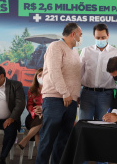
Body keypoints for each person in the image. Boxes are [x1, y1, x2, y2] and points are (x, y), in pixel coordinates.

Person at [36, 23, 82, 164]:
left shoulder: (74, 51)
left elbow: (74, 75)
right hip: (56, 99)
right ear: (73, 34)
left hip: (71, 101)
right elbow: (55, 72)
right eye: (80, 35)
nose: (81, 38)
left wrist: (75, 96)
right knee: (48, 138)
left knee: (63, 140)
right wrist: (65, 93)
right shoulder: (55, 46)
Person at [79, 23, 117, 121]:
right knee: (84, 125)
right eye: (98, 37)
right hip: (87, 94)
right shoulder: (86, 51)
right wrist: (76, 94)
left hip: (106, 95)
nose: (100, 40)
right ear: (94, 36)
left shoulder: (116, 53)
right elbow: (79, 73)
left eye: (103, 37)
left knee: (103, 126)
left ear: (108, 36)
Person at [0, 65, 25, 164]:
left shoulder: (15, 85)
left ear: (2, 76)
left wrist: (12, 118)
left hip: (9, 119)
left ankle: (2, 158)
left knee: (11, 132)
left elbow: (20, 103)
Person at [17, 68, 43, 150]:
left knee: (40, 126)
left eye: (44, 75)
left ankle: (25, 140)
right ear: (36, 77)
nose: (42, 77)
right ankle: (41, 158)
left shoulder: (52, 90)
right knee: (40, 123)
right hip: (32, 118)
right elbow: (29, 105)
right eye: (39, 75)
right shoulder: (32, 90)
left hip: (45, 116)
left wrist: (43, 110)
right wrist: (34, 111)